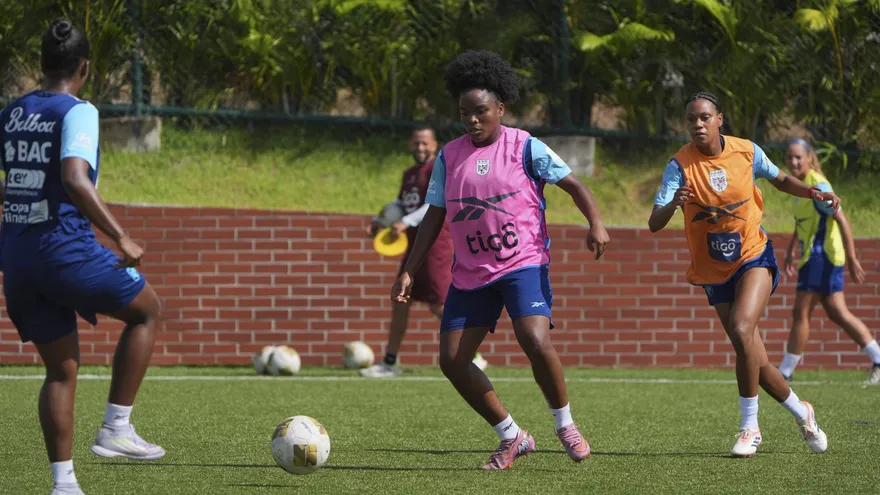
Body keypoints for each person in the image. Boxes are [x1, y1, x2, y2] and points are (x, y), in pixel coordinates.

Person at [391, 50, 610, 470]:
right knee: (452, 361)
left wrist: (595, 223)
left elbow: (574, 185)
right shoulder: (449, 156)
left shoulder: (525, 146)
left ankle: (564, 424)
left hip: (523, 262)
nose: (472, 120)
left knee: (533, 338)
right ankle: (512, 436)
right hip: (472, 273)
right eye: (464, 113)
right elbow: (435, 213)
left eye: (481, 111)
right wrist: (409, 270)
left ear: (500, 108)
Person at [0, 19, 165, 495]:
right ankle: (116, 428)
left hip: (19, 258)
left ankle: (64, 484)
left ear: (43, 64)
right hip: (63, 248)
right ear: (85, 67)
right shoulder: (80, 110)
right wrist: (121, 237)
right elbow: (75, 177)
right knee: (147, 311)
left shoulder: (13, 112)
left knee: (61, 369)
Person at [648, 92, 836, 458]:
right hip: (712, 269)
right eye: (691, 119)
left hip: (752, 255)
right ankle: (802, 411)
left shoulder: (747, 151)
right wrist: (675, 202)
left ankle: (750, 426)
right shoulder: (679, 165)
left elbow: (781, 179)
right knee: (755, 357)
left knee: (741, 327)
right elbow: (654, 222)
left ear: (720, 118)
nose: (698, 125)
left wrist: (812, 192)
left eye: (704, 117)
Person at [362, 125, 487, 378]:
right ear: (410, 144)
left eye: (425, 143)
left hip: (435, 245)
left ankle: (474, 356)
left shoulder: (438, 168)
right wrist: (380, 220)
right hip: (413, 247)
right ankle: (389, 361)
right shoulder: (409, 173)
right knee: (400, 300)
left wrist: (406, 222)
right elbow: (401, 204)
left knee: (440, 305)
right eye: (416, 143)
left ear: (434, 144)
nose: (420, 148)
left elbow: (436, 204)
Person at [778, 137, 880, 385]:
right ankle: (878, 358)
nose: (793, 162)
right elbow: (802, 222)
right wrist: (791, 249)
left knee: (801, 311)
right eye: (789, 157)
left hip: (822, 255)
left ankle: (784, 373)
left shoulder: (818, 185)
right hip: (815, 255)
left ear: (809, 157)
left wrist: (853, 259)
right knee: (837, 312)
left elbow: (842, 220)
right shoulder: (799, 186)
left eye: (798, 157)